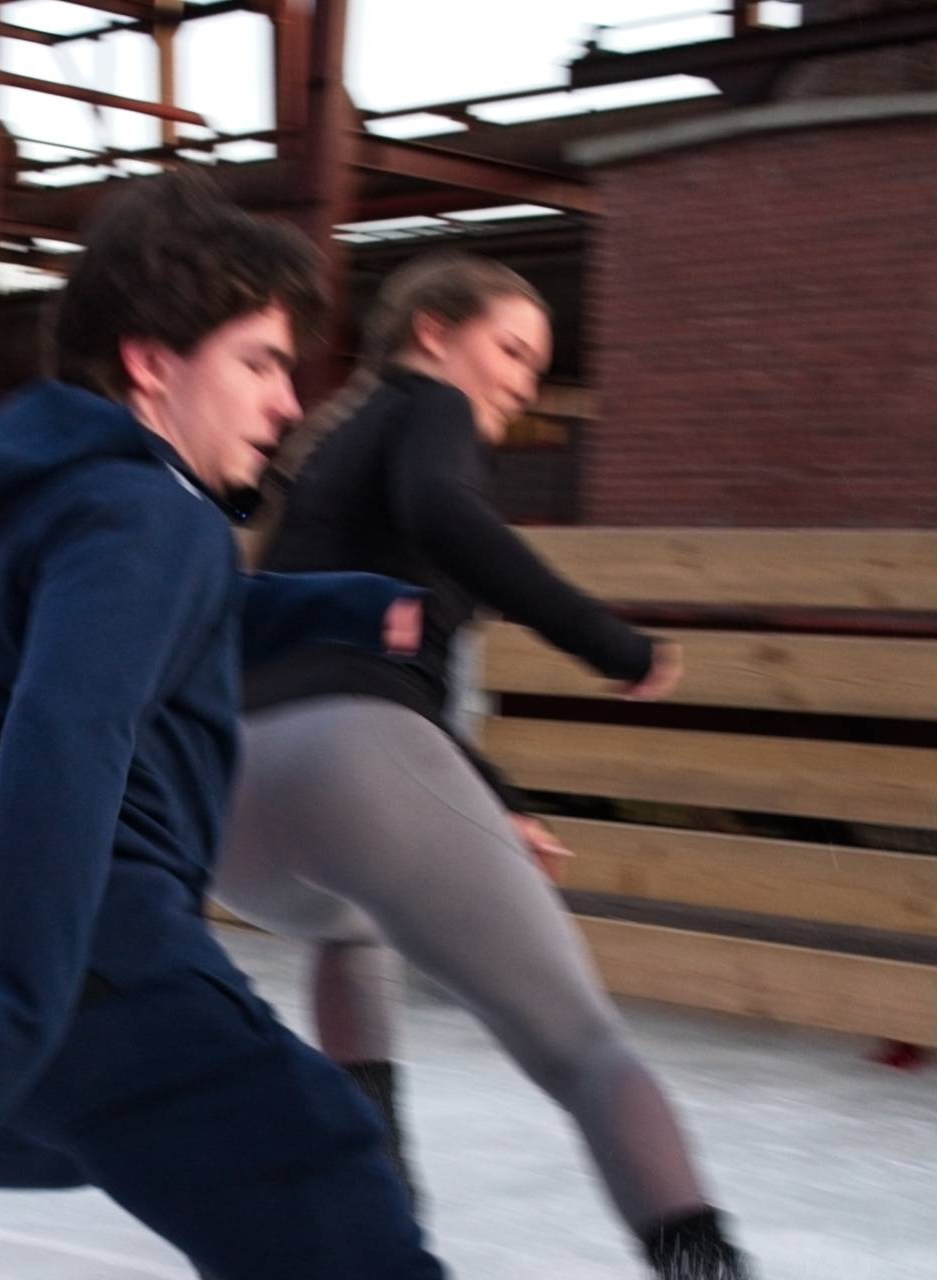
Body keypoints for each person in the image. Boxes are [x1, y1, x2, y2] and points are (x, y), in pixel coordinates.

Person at [0, 172, 444, 1279]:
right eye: (258, 362)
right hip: (52, 982)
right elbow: (66, 735)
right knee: (332, 1172)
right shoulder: (152, 510)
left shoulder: (73, 508)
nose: (287, 404)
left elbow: (161, 633)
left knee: (282, 1190)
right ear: (153, 361)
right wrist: (16, 1024)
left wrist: (345, 605)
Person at [219, 251, 751, 1279]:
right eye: (508, 348)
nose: (520, 378)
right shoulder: (429, 409)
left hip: (232, 795)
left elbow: (343, 659)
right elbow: (445, 514)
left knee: (352, 927)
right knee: (587, 1050)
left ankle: (381, 1208)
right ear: (432, 335)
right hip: (354, 760)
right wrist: (613, 645)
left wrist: (487, 799)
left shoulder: (326, 459)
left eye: (536, 362)